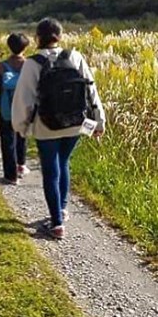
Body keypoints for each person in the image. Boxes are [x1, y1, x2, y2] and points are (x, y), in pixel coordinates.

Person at [12, 18, 105, 239]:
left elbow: (23, 99)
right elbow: (91, 91)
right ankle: (62, 210)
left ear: (37, 38)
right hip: (76, 123)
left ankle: (56, 223)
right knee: (64, 162)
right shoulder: (75, 56)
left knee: (50, 170)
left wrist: (21, 127)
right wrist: (99, 122)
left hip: (47, 125)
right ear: (60, 36)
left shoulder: (32, 63)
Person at [0, 33, 30, 185]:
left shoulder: (1, 66)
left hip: (6, 110)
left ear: (9, 46)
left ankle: (10, 176)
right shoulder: (29, 65)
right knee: (22, 137)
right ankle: (21, 166)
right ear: (26, 47)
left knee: (7, 141)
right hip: (25, 108)